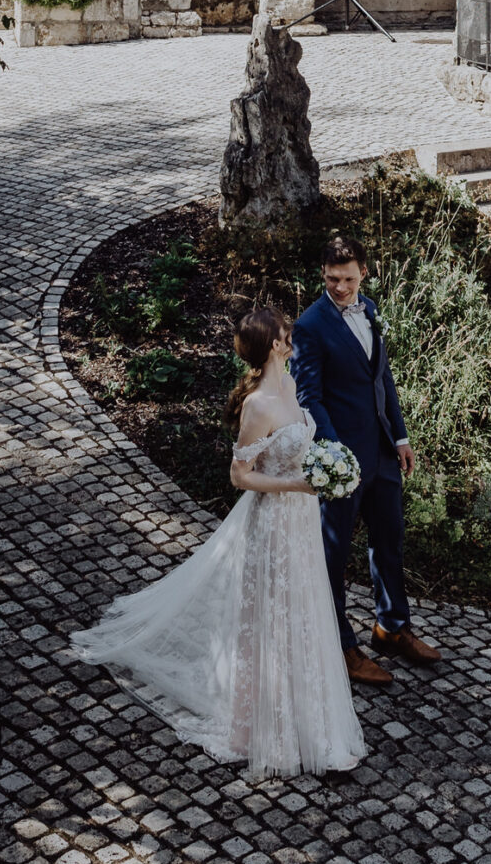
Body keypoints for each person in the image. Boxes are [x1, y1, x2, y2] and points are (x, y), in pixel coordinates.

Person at [67, 300, 365, 779]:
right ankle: (262, 727)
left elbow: (299, 446)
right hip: (273, 525)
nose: (293, 337)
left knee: (305, 613)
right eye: (287, 333)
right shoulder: (258, 405)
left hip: (303, 522)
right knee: (273, 618)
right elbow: (240, 476)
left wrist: (324, 467)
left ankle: (315, 726)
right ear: (274, 344)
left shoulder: (289, 384)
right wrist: (297, 485)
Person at [291, 232, 441, 687]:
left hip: (381, 451)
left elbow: (383, 379)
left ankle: (391, 628)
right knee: (332, 557)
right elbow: (308, 397)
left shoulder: (371, 310)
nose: (341, 288)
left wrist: (400, 435)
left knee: (390, 541)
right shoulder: (310, 326)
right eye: (333, 279)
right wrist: (335, 453)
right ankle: (341, 645)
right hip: (341, 464)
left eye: (349, 279)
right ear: (323, 274)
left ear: (364, 274)